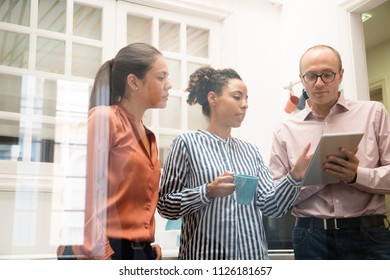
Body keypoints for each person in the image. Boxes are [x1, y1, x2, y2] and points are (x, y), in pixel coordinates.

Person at [157, 66, 311, 260]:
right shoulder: (186, 144)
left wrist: (295, 176)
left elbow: (272, 207)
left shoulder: (250, 151)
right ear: (213, 98)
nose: (245, 104)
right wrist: (207, 191)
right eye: (237, 97)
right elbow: (165, 206)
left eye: (247, 99)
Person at [268, 44, 390, 260]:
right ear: (301, 78)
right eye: (311, 76)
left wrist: (356, 175)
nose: (319, 83)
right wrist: (304, 179)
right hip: (310, 237)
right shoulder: (285, 130)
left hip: (368, 235)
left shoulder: (374, 113)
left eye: (327, 75)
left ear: (341, 75)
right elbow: (275, 201)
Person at [57, 42, 171, 260]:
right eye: (161, 77)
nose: (169, 85)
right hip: (103, 250)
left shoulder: (150, 137)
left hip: (133, 252)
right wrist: (101, 255)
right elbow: (82, 197)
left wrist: (144, 246)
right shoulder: (105, 118)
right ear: (134, 82)